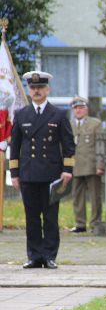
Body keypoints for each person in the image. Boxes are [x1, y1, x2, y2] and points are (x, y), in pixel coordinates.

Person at [9, 71, 75, 269]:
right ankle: (34, 256)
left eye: (40, 88)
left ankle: (49, 256)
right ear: (29, 90)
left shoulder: (59, 114)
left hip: (51, 174)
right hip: (28, 174)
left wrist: (67, 169)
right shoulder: (21, 115)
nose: (36, 91)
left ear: (48, 89)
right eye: (33, 88)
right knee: (31, 217)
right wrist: (14, 174)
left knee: (50, 217)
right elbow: (15, 147)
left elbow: (69, 145)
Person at [70, 96, 104, 233]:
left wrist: (100, 165)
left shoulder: (95, 123)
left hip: (92, 166)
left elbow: (100, 145)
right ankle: (80, 224)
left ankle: (96, 223)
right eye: (76, 108)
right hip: (75, 166)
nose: (78, 110)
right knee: (77, 196)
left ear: (86, 109)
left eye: (81, 108)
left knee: (95, 197)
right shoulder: (69, 124)